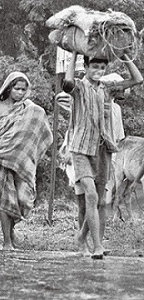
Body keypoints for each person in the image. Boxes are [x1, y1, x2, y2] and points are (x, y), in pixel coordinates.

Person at [62, 52, 142, 259]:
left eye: (102, 68)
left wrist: (124, 55)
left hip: (103, 148)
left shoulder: (107, 89)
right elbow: (67, 82)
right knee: (90, 194)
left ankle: (82, 237)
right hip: (80, 148)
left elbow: (137, 79)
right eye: (94, 67)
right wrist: (74, 55)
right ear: (86, 67)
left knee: (99, 201)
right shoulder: (79, 87)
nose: (98, 72)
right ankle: (97, 245)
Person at [0, 72, 52, 251]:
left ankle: (11, 229)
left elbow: (39, 126)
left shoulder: (30, 109)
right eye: (17, 89)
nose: (20, 92)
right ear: (9, 88)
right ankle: (7, 242)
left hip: (22, 162)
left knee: (24, 199)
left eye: (24, 89)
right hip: (1, 158)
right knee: (4, 201)